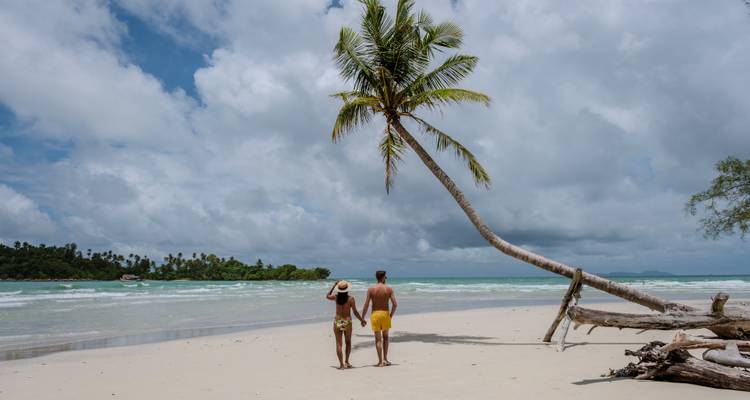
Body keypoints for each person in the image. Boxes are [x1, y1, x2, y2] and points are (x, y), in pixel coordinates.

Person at [326, 280, 366, 369]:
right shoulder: (350, 299)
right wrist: (361, 320)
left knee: (339, 344)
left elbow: (327, 296)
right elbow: (355, 312)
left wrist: (334, 285)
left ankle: (341, 365)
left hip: (338, 321)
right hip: (347, 322)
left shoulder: (335, 297)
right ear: (347, 289)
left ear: (338, 289)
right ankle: (347, 362)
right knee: (348, 343)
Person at [361, 270, 397, 367]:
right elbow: (395, 304)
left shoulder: (371, 289)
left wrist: (362, 317)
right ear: (383, 277)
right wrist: (391, 315)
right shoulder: (389, 289)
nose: (386, 279)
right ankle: (385, 359)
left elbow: (366, 305)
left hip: (375, 314)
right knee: (385, 337)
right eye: (385, 277)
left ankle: (380, 361)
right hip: (385, 314)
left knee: (378, 339)